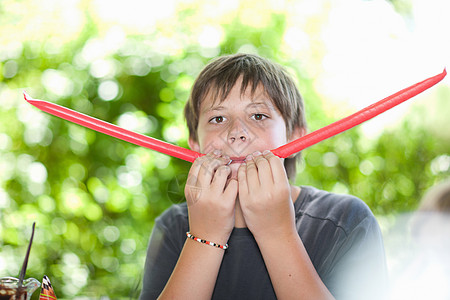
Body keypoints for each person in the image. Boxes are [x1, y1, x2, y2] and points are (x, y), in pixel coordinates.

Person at [139, 53, 388, 299]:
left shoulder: (345, 221)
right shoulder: (173, 227)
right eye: (218, 118)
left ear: (296, 137)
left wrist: (277, 233)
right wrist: (205, 237)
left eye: (258, 116)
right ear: (195, 144)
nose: (236, 132)